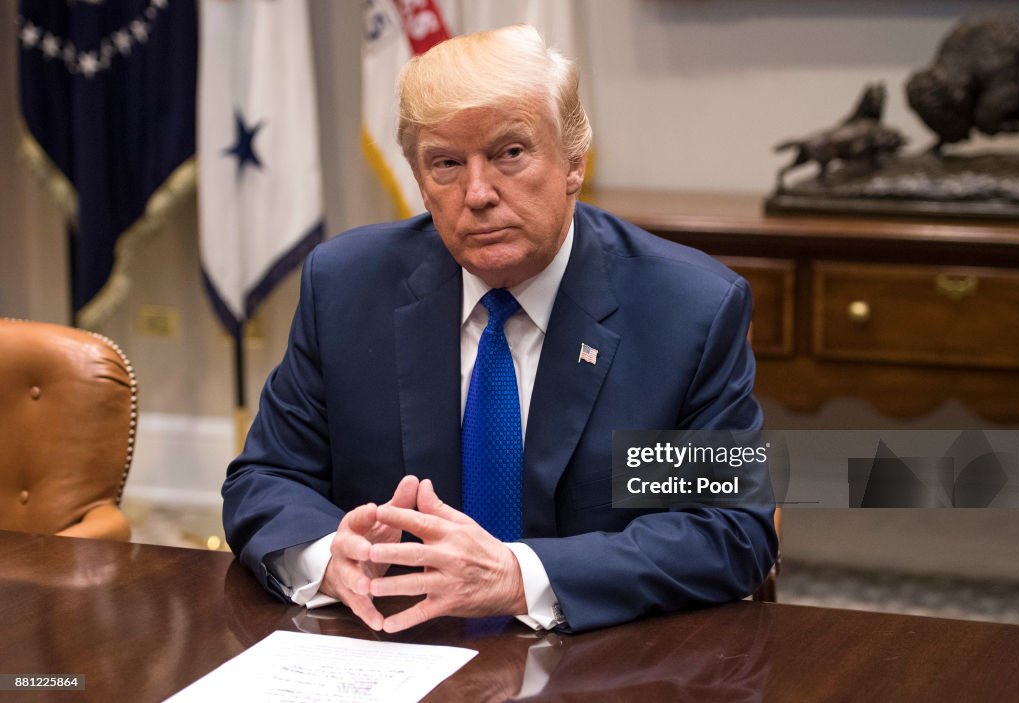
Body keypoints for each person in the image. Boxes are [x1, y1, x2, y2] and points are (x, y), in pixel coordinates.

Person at [223, 24, 777, 634]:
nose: (478, 193)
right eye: (446, 164)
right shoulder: (348, 287)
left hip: (601, 662)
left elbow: (731, 528)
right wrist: (329, 557)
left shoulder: (685, 309)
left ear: (573, 162)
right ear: (418, 178)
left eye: (510, 153)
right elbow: (266, 477)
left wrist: (519, 577)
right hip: (395, 652)